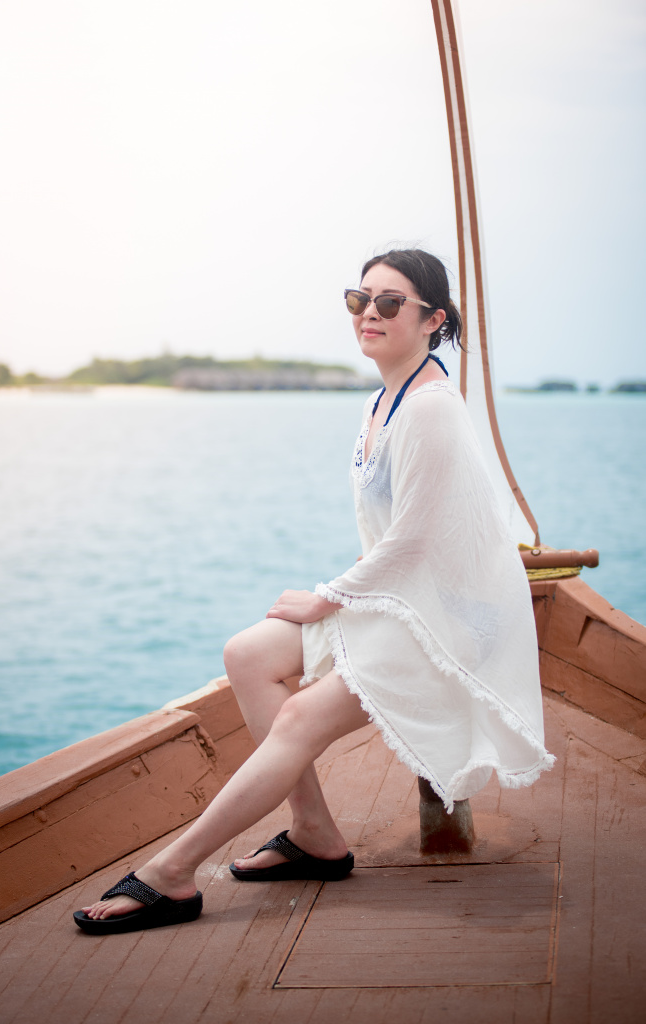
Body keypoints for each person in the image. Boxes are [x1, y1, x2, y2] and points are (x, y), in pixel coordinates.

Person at [74, 248, 554, 934]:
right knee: (247, 654)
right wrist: (350, 595)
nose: (369, 313)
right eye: (360, 299)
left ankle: (171, 873)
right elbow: (389, 537)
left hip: (444, 621)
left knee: (299, 718)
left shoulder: (431, 410)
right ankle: (313, 834)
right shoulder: (381, 400)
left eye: (390, 302)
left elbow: (413, 542)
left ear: (433, 320)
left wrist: (327, 598)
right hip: (402, 601)